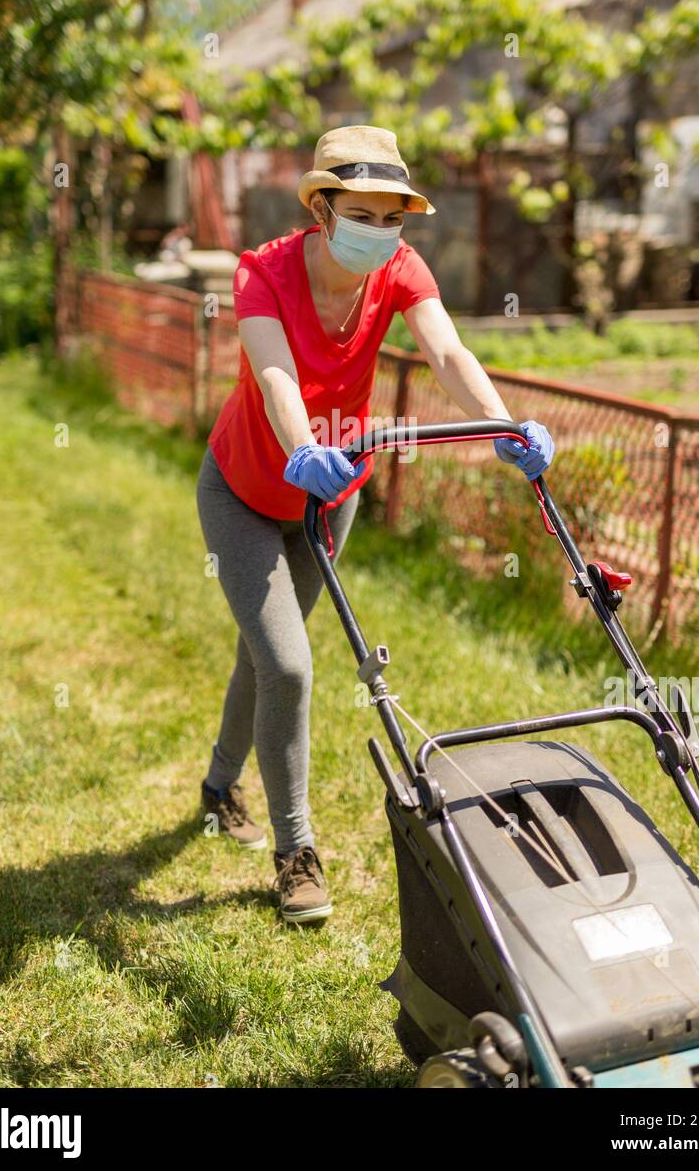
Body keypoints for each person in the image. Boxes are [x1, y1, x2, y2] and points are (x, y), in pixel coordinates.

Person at [196, 125, 554, 925]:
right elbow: (275, 371)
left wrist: (501, 422)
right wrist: (301, 447)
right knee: (287, 665)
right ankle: (296, 853)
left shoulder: (399, 268)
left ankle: (219, 788)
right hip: (249, 489)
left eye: (394, 217)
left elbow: (448, 352)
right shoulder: (264, 270)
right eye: (363, 213)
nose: (381, 233)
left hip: (331, 495)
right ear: (321, 209)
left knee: (266, 659)